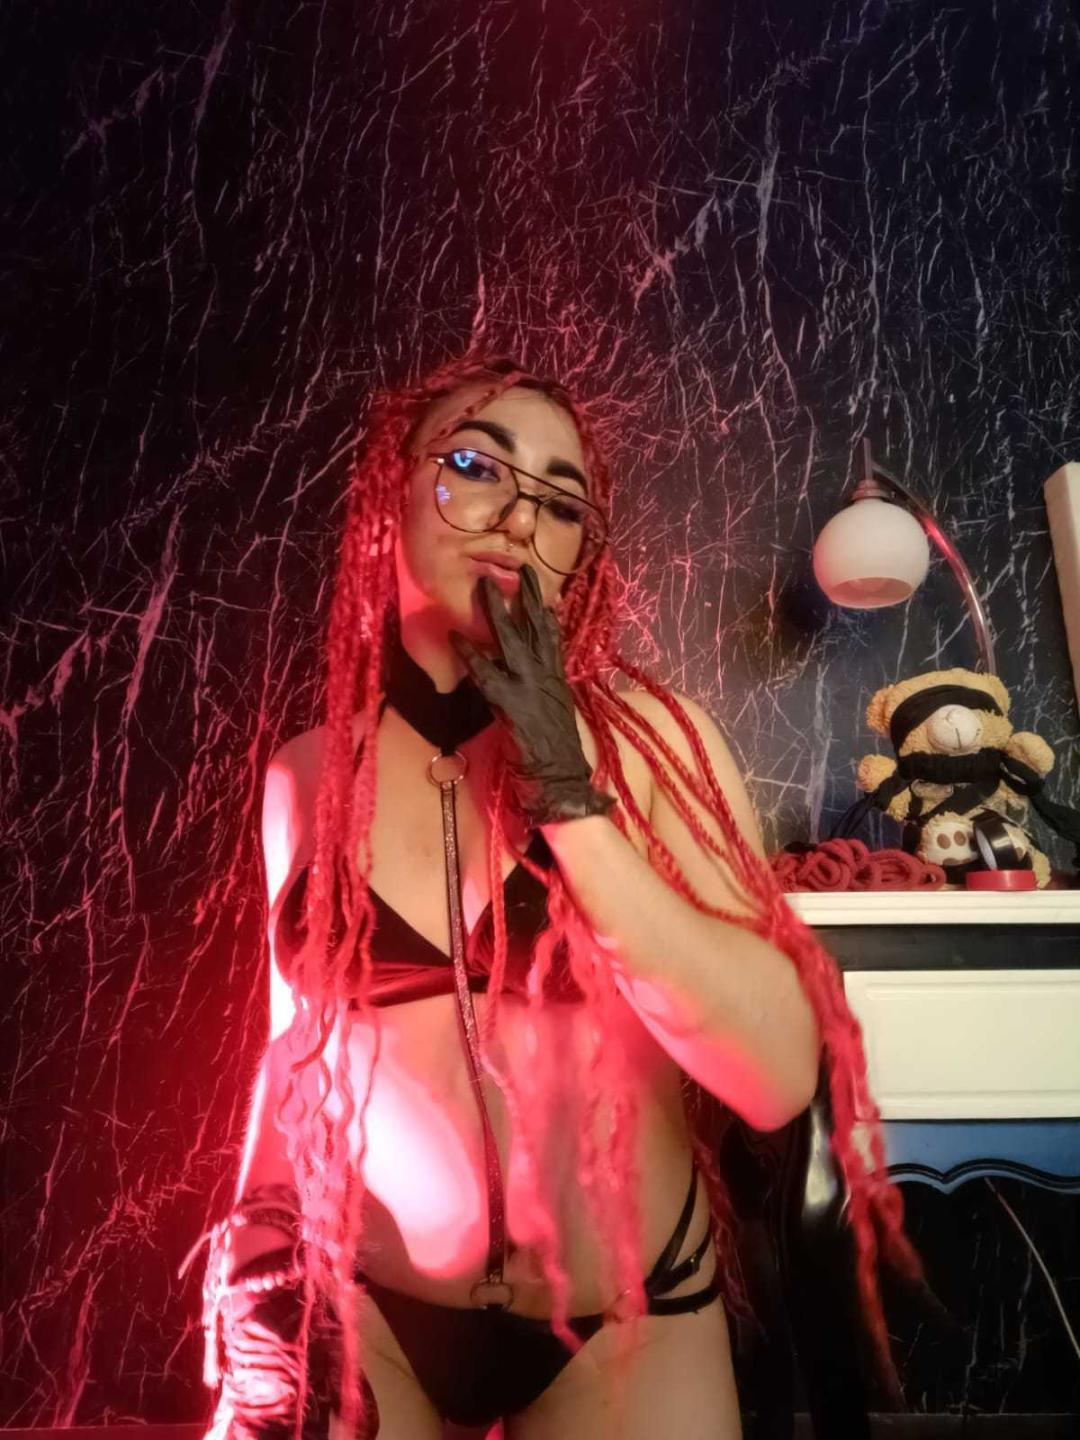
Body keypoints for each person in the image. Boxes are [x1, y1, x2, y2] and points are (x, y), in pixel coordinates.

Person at [192, 356, 930, 1439]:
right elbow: (293, 1051)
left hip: (629, 1326)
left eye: (562, 501)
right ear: (388, 497)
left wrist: (569, 796)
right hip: (370, 1311)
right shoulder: (306, 775)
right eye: (475, 466)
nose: (519, 517)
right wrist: (257, 1255)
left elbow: (777, 1076)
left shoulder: (656, 745)